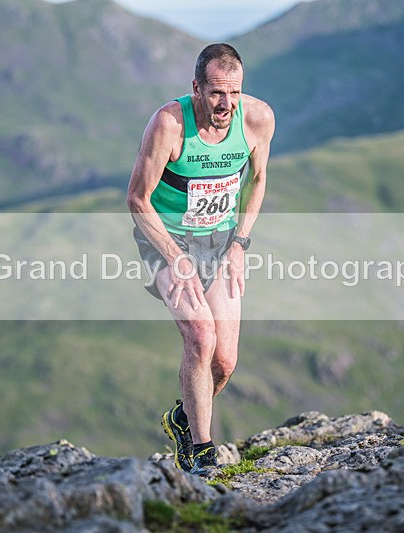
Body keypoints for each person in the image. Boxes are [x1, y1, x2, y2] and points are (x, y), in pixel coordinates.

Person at [127, 43, 275, 476]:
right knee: (200, 336)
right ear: (196, 88)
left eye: (234, 93)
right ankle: (201, 452)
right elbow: (137, 198)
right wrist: (175, 257)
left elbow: (258, 180)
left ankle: (183, 417)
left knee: (224, 362)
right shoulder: (169, 124)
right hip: (166, 238)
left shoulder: (258, 119)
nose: (226, 104)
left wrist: (240, 244)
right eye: (215, 93)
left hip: (222, 241)